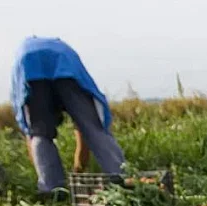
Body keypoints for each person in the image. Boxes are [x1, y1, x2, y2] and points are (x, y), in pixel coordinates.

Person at [11, 36, 126, 195]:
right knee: (93, 126)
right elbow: (85, 128)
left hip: (30, 66)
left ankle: (52, 190)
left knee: (39, 133)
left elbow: (31, 137)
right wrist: (79, 167)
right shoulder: (58, 47)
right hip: (63, 60)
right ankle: (120, 178)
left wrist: (74, 167)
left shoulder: (27, 50)